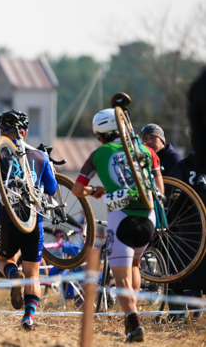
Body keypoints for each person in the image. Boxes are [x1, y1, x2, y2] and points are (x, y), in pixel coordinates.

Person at [72, 108, 164, 343]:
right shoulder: (146, 151)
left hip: (121, 217)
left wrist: (95, 191)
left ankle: (133, 322)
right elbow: (160, 190)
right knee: (135, 264)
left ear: (100, 135)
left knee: (120, 273)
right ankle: (132, 314)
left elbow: (77, 189)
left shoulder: (98, 153)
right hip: (148, 218)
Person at [0, 110, 57, 331]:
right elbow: (52, 189)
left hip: (8, 217)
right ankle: (28, 318)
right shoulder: (40, 156)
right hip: (34, 220)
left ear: (2, 131)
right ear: (26, 131)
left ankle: (13, 274)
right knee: (34, 274)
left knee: (2, 260)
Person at [167, 144, 206, 319]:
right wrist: (183, 203)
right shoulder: (183, 166)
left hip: (190, 229)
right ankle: (195, 318)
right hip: (190, 230)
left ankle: (196, 318)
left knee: (192, 275)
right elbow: (172, 192)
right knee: (191, 276)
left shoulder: (182, 165)